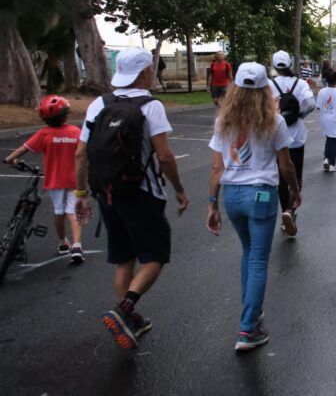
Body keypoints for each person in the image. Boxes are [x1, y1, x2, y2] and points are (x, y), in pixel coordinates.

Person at [74, 47, 188, 350]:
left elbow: (80, 153)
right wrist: (178, 187)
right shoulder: (151, 106)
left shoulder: (99, 103)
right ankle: (124, 309)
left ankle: (130, 321)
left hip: (107, 194)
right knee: (155, 256)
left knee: (124, 257)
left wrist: (82, 194)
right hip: (142, 194)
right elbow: (163, 155)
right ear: (144, 73)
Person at [205, 62, 301, 352]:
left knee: (249, 253)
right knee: (259, 259)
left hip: (232, 196)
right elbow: (286, 165)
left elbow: (216, 168)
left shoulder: (224, 121)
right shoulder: (275, 121)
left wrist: (212, 205)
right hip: (261, 195)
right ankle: (248, 329)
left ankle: (252, 311)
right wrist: (295, 192)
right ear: (264, 90)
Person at [4, 95, 84, 262]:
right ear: (66, 114)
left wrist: (10, 159)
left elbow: (23, 149)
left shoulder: (44, 134)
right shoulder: (76, 132)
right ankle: (77, 245)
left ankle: (63, 242)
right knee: (73, 211)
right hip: (74, 179)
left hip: (55, 180)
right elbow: (84, 154)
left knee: (59, 211)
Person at [270, 51, 316, 237]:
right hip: (296, 137)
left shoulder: (268, 84)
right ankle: (290, 210)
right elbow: (311, 104)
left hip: (275, 136)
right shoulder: (300, 83)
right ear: (290, 64)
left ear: (274, 65)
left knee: (281, 176)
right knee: (296, 176)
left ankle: (284, 211)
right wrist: (299, 116)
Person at [316, 70, 336, 173]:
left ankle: (326, 158)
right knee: (333, 140)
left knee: (329, 138)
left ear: (327, 81)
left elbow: (319, 107)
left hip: (325, 119)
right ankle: (332, 163)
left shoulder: (322, 92)